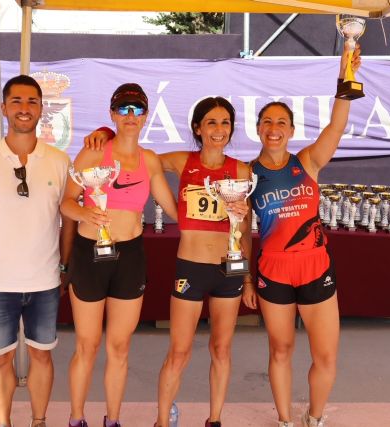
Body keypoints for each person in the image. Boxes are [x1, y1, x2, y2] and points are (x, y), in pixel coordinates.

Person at [85, 97, 252, 427]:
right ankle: (162, 420)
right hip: (190, 268)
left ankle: (214, 419)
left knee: (221, 349)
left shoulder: (241, 171)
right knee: (179, 352)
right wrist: (107, 130)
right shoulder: (181, 161)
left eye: (225, 123)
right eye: (212, 123)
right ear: (198, 128)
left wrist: (246, 278)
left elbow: (243, 231)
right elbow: (134, 157)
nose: (219, 130)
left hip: (227, 269)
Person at [242, 45, 362, 427]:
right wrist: (247, 276)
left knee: (326, 356)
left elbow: (337, 125)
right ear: (258, 128)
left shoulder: (307, 162)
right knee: (281, 349)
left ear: (291, 131)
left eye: (281, 122)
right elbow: (242, 231)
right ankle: (284, 421)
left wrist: (346, 76)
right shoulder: (246, 176)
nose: (273, 128)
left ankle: (315, 417)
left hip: (315, 270)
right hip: (272, 272)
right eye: (267, 122)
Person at [0, 74, 74, 427]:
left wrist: (65, 269)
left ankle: (39, 421)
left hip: (45, 281)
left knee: (42, 356)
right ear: (4, 108)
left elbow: (68, 221)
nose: (25, 109)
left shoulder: (60, 161)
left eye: (32, 102)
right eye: (17, 102)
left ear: (41, 109)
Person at [61, 83, 177, 427]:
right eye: (123, 109)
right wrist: (83, 214)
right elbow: (67, 201)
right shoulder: (94, 153)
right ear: (112, 114)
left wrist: (222, 215)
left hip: (130, 255)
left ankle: (112, 420)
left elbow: (172, 208)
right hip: (89, 254)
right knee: (87, 345)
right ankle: (76, 419)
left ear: (145, 116)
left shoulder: (150, 160)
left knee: (120, 347)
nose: (130, 116)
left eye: (137, 109)